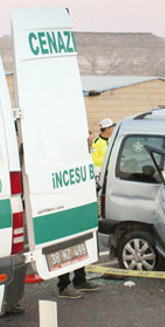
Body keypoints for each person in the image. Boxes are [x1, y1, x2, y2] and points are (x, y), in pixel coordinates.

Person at [55, 119, 114, 298]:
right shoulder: (64, 162)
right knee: (65, 246)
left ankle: (80, 279)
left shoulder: (83, 159)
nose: (90, 144)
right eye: (87, 143)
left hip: (81, 206)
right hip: (67, 209)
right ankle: (63, 284)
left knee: (81, 245)